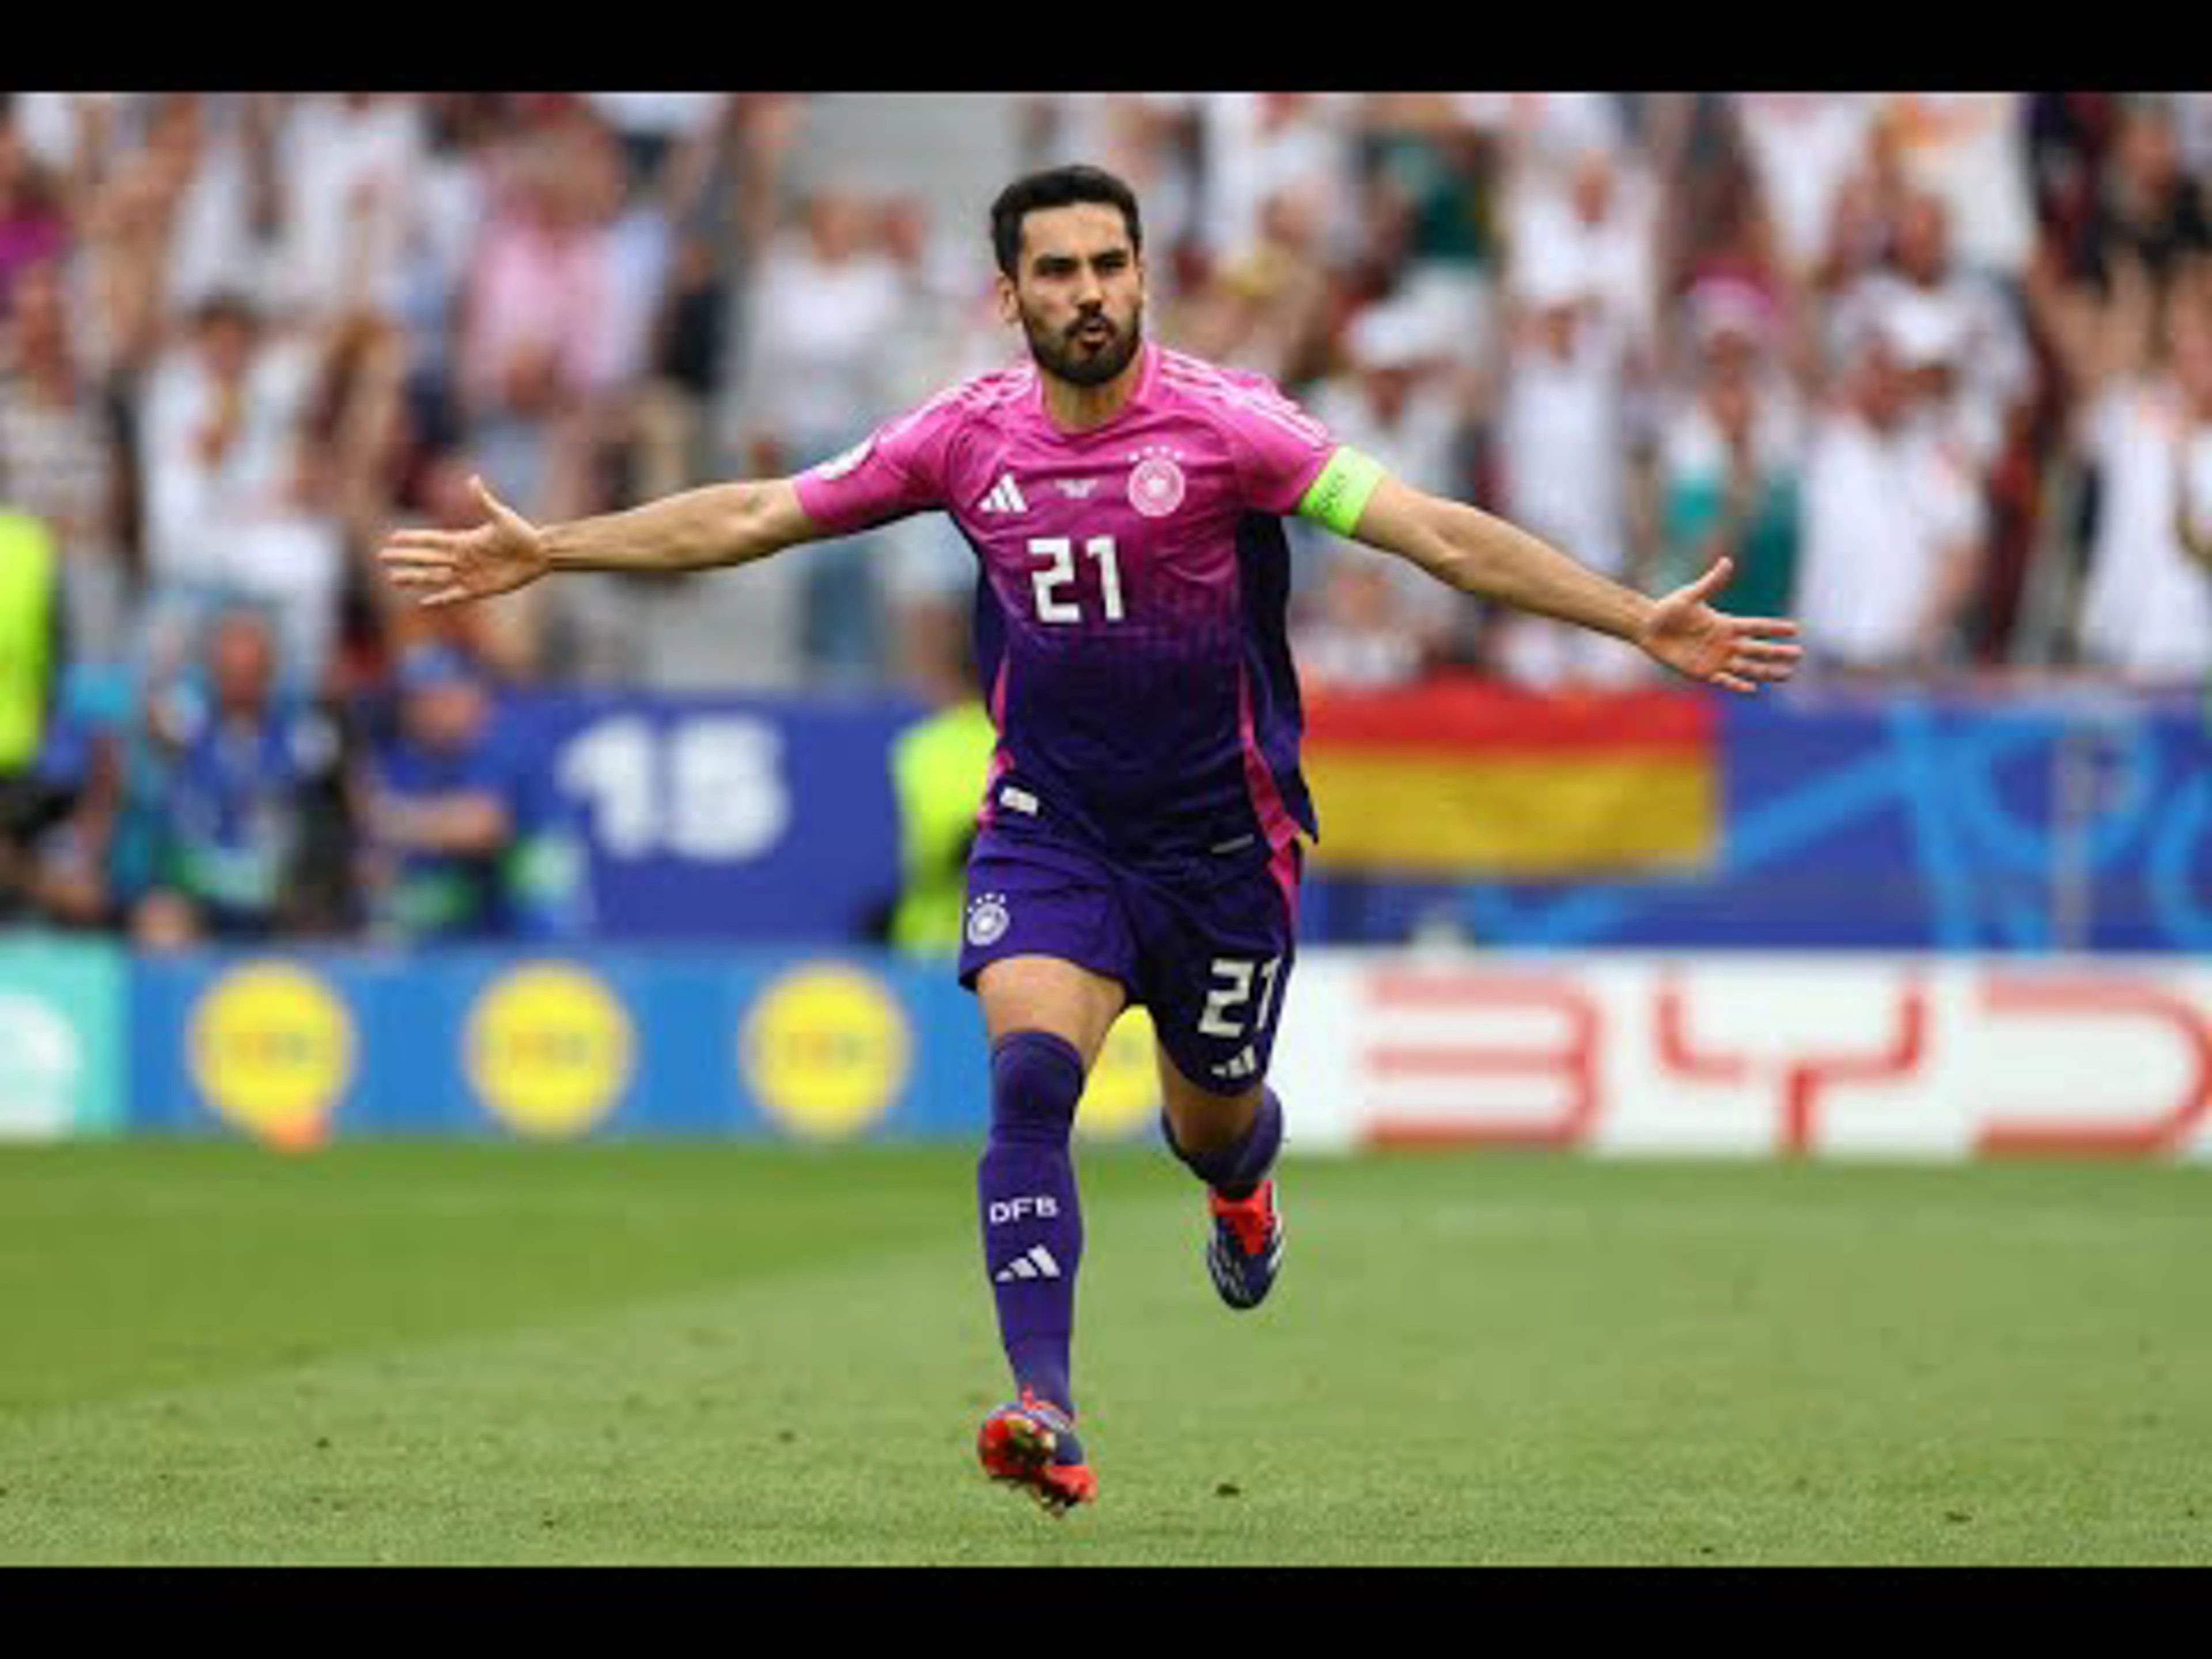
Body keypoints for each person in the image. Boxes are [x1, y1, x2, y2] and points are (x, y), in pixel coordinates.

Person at [378, 164, 1801, 1516]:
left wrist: (1632, 618)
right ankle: (1044, 1405)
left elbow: (1426, 530)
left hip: (1222, 852)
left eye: (1111, 264)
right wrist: (552, 545)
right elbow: (761, 511)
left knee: (1210, 1119)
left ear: (1144, 278)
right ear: (1012, 296)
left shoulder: (1230, 424)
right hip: (1052, 831)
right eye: (1058, 270)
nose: (1090, 291)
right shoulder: (965, 436)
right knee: (1030, 1086)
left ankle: (1245, 1191)